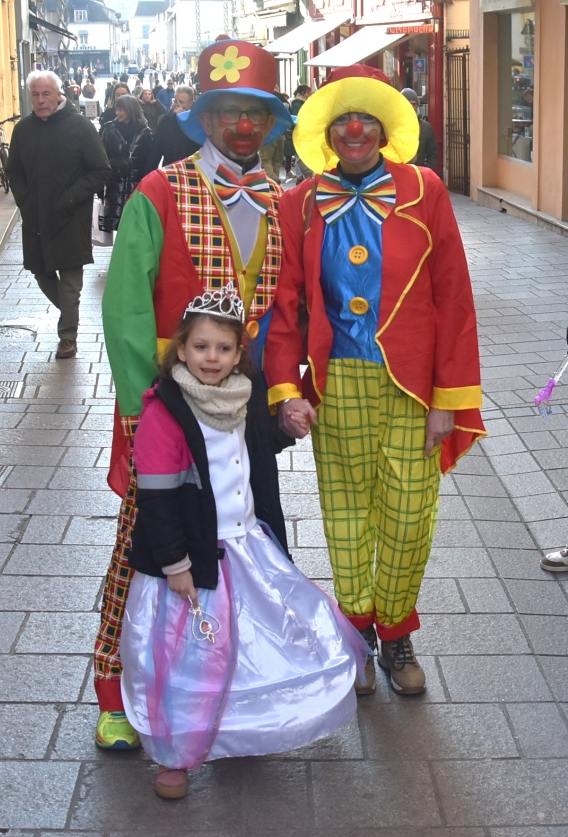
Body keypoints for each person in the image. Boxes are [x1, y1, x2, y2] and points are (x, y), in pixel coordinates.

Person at [93, 39, 294, 750]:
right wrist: (135, 409)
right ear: (204, 118)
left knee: (248, 541)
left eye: (255, 113)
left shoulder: (280, 201)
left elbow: (287, 310)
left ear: (271, 124)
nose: (242, 126)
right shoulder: (159, 190)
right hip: (168, 404)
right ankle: (115, 691)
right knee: (141, 543)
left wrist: (280, 398)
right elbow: (124, 308)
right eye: (228, 111)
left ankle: (240, 683)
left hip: (243, 409)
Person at [264, 65, 486, 695]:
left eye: (366, 119)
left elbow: (454, 299)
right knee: (346, 514)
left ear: (385, 127)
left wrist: (451, 396)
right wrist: (285, 388)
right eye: (343, 120)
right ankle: (359, 632)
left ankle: (397, 630)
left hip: (413, 385)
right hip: (338, 384)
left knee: (411, 514)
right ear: (328, 132)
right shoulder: (299, 202)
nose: (355, 130)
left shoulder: (426, 190)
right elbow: (285, 304)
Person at [120, 285, 368, 799]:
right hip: (191, 560)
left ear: (239, 354)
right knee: (191, 661)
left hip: (245, 547)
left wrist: (286, 428)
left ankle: (239, 731)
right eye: (201, 347)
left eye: (224, 349)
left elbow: (257, 445)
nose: (213, 359)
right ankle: (175, 757)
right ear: (181, 350)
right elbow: (159, 503)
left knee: (254, 645)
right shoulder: (164, 412)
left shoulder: (242, 395)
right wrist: (175, 565)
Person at [6, 70, 110, 360]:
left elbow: (101, 170)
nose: (41, 100)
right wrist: (24, 200)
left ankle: (68, 337)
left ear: (58, 93)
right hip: (36, 218)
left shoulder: (80, 126)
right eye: (36, 95)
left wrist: (71, 197)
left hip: (71, 218)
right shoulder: (23, 129)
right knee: (41, 273)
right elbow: (13, 170)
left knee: (70, 282)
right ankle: (70, 314)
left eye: (46, 94)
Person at [99, 94, 153, 231]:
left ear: (130, 110)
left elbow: (149, 160)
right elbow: (101, 158)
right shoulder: (109, 130)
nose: (117, 113)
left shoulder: (145, 132)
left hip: (137, 186)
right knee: (116, 228)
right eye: (117, 109)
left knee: (136, 227)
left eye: (121, 110)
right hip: (114, 186)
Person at [143, 85, 199, 174]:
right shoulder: (166, 120)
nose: (177, 105)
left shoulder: (197, 122)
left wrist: (182, 118)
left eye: (181, 102)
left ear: (191, 104)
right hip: (170, 171)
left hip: (192, 172)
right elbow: (156, 151)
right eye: (175, 101)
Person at [400, 88, 439, 171]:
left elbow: (433, 154)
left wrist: (426, 171)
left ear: (417, 105)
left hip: (419, 175)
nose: (411, 107)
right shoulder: (393, 127)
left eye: (413, 104)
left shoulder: (426, 127)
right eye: (407, 104)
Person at [284, 84, 310, 178]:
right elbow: (296, 118)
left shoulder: (298, 102)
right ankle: (300, 176)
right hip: (300, 132)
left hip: (301, 131)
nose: (308, 95)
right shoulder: (297, 103)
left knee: (300, 154)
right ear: (302, 92)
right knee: (300, 154)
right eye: (307, 92)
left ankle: (300, 175)